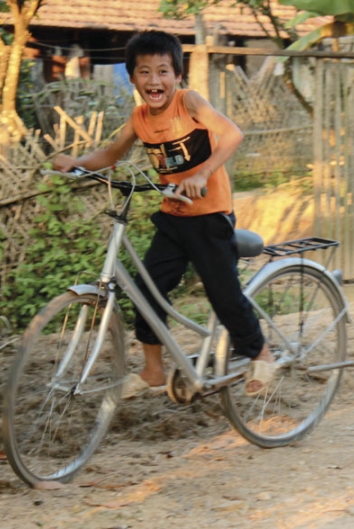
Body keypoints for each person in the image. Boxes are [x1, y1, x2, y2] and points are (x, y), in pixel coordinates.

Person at [52, 30, 277, 398]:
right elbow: (111, 154)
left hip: (209, 216)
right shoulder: (140, 117)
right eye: (144, 72)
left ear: (177, 75)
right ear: (132, 77)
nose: (154, 80)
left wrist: (202, 174)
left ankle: (262, 354)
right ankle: (153, 370)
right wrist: (76, 162)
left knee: (223, 295)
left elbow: (232, 134)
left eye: (162, 71)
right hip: (173, 217)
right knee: (147, 291)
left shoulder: (189, 103)